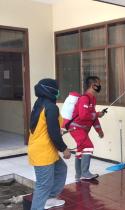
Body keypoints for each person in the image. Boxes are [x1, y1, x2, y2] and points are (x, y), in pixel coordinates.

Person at [28, 78, 71, 210]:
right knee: (43, 185)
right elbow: (52, 132)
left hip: (45, 149)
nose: (58, 92)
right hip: (43, 152)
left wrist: (59, 131)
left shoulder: (39, 103)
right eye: (56, 90)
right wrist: (64, 148)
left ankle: (50, 198)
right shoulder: (51, 107)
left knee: (61, 169)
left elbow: (44, 127)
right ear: (50, 90)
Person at [69, 76, 105, 181]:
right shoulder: (84, 98)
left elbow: (92, 115)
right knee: (88, 146)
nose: (99, 86)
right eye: (98, 84)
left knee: (81, 151)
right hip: (76, 128)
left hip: (81, 129)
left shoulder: (92, 99)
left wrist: (99, 130)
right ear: (93, 85)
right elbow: (84, 115)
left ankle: (79, 175)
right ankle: (85, 173)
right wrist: (97, 114)